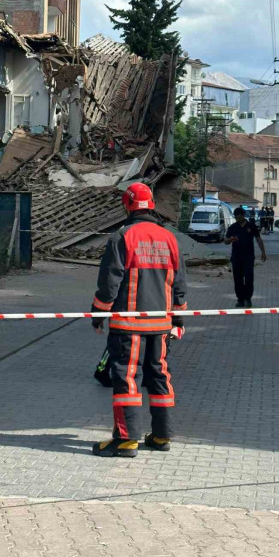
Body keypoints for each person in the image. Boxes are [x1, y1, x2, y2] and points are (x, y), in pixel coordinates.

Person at [90, 182, 187, 458]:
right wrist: (178, 319)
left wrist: (98, 314)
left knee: (127, 379)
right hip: (161, 325)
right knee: (159, 376)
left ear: (127, 205)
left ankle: (126, 440)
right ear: (152, 205)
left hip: (129, 324)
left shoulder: (122, 237)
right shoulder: (170, 239)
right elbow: (179, 284)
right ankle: (161, 436)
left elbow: (110, 282)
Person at [225, 207, 267, 308]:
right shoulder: (233, 227)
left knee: (248, 277)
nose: (237, 219)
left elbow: (258, 239)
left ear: (243, 215)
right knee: (237, 278)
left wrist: (263, 253)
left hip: (248, 256)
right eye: (236, 217)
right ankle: (240, 299)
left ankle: (248, 298)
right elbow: (225, 241)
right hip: (236, 257)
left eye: (239, 217)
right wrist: (230, 240)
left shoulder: (251, 226)